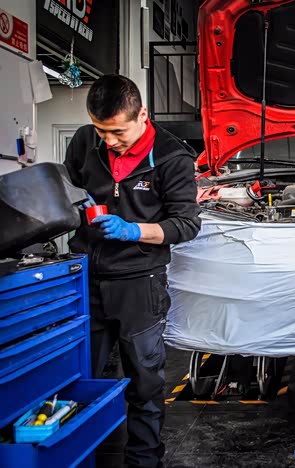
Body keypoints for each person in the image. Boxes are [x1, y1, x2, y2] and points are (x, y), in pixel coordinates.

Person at [63, 74, 201, 467]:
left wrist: (133, 230)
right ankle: (77, 455)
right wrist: (74, 204)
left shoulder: (172, 157)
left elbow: (186, 225)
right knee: (79, 377)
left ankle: (143, 459)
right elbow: (69, 188)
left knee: (145, 380)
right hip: (86, 278)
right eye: (100, 130)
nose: (108, 140)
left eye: (117, 131)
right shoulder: (84, 141)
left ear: (142, 115)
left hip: (140, 282)